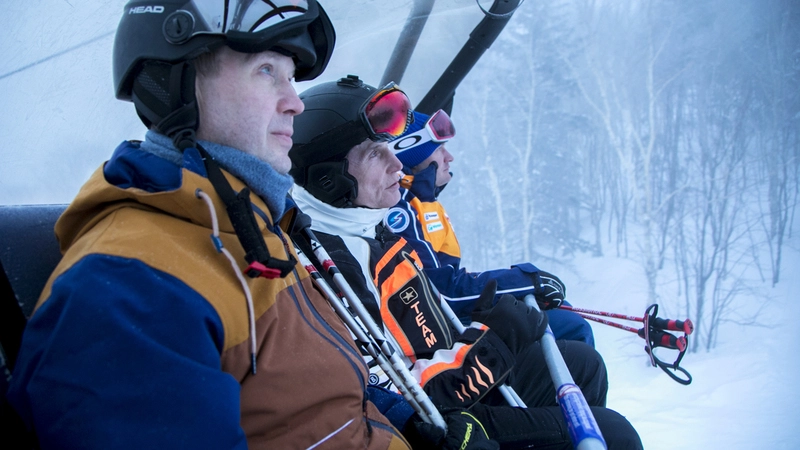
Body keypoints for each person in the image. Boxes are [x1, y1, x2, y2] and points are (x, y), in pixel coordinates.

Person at [5, 2, 496, 449]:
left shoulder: (256, 232)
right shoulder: (134, 286)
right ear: (178, 85)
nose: (295, 102)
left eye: (291, 78)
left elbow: (316, 383)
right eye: (266, 71)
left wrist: (405, 423)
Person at [288, 75, 643, 449]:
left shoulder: (370, 226)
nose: (397, 164)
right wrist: (491, 344)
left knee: (583, 364)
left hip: (454, 377)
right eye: (376, 154)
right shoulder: (331, 266)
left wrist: (483, 329)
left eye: (390, 147)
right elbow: (394, 402)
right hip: (443, 419)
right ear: (329, 179)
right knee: (615, 434)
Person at [387, 110, 595, 346]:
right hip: (440, 333)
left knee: (565, 317)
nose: (449, 157)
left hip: (452, 320)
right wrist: (523, 282)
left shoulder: (424, 202)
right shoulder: (400, 209)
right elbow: (438, 289)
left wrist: (521, 290)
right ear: (412, 155)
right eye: (438, 149)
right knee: (573, 328)